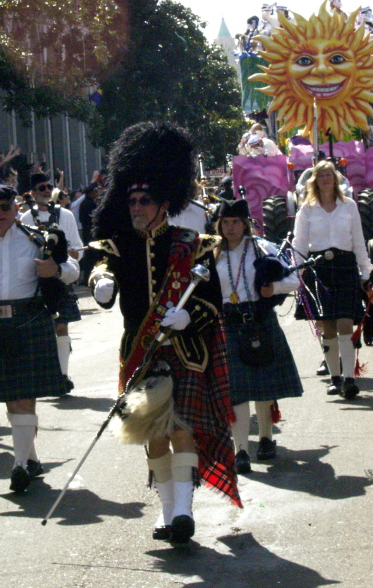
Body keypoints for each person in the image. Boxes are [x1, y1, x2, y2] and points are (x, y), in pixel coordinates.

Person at [88, 121, 241, 545]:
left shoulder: (193, 244)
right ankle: (167, 511)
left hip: (185, 350)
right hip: (141, 351)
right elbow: (99, 267)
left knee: (181, 429)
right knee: (153, 436)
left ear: (163, 203)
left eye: (145, 200)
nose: (136, 206)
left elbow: (213, 302)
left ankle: (185, 512)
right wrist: (101, 284)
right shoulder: (118, 246)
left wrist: (189, 317)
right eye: (132, 200)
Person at [0, 181, 78, 494]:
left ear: (16, 207)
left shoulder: (38, 239)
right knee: (13, 400)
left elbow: (73, 268)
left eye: (4, 207)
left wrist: (55, 269)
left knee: (23, 398)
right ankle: (30, 458)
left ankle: (19, 465)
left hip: (30, 319)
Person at [214, 199, 303, 474]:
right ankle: (241, 450)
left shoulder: (262, 248)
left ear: (245, 224)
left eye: (236, 222)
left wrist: (273, 287)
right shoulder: (211, 253)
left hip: (260, 321)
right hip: (228, 323)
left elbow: (294, 279)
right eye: (226, 223)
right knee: (237, 392)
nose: (231, 228)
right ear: (219, 224)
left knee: (262, 387)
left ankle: (265, 438)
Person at [293, 160, 372, 399]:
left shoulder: (349, 207)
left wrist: (365, 272)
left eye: (330, 175)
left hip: (346, 266)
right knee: (327, 325)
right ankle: (335, 378)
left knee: (345, 323)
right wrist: (296, 274)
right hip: (319, 268)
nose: (326, 179)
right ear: (314, 180)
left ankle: (349, 378)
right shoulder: (306, 209)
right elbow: (299, 245)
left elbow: (359, 240)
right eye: (321, 175)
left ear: (336, 180)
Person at [20, 171, 84, 383]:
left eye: (49, 187)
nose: (47, 191)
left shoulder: (65, 215)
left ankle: (63, 375)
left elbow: (77, 245)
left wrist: (75, 253)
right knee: (40, 328)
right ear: (32, 193)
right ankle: (44, 374)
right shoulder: (25, 218)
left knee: (61, 325)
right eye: (41, 188)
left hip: (61, 275)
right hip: (36, 277)